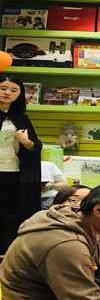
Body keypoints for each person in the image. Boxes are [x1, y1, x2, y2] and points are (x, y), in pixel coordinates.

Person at [0, 73, 42, 256]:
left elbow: (35, 146)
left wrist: (26, 142)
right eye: (3, 88)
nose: (7, 93)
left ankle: (9, 253)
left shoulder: (21, 118)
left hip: (14, 173)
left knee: (13, 215)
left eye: (14, 90)